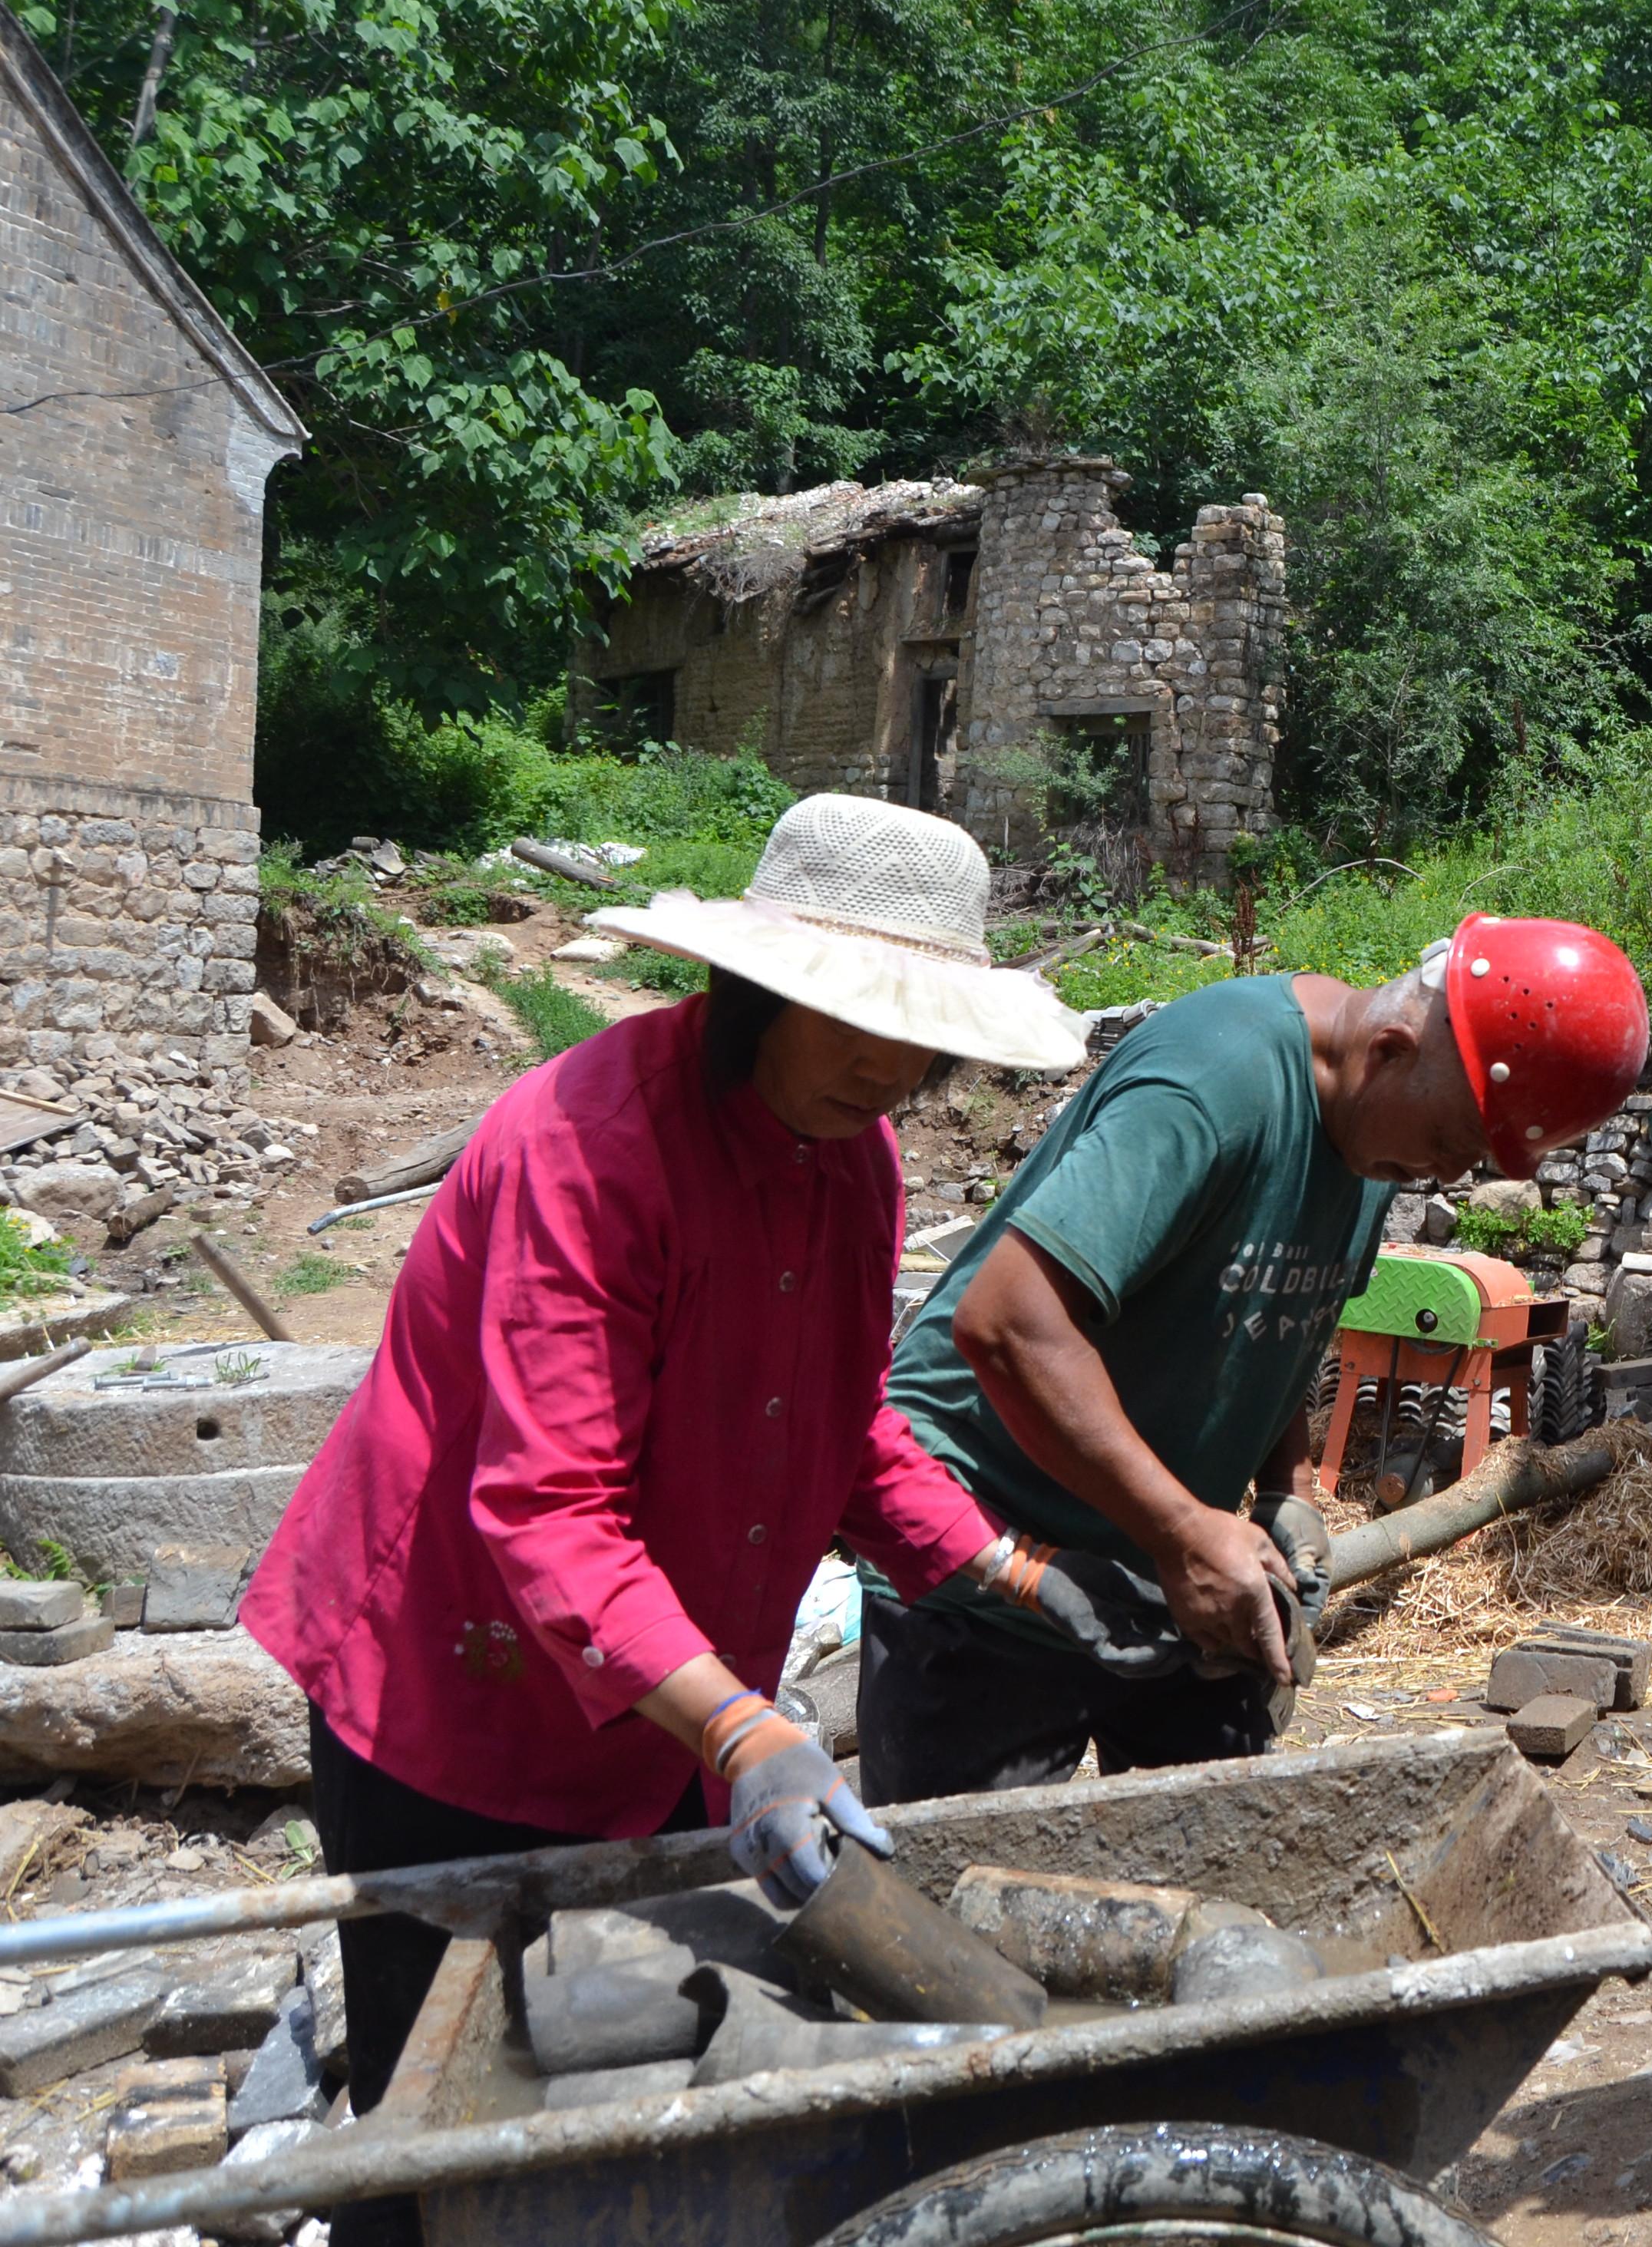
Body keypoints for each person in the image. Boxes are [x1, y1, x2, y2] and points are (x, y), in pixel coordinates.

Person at [244, 797, 1168, 2246]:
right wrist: (743, 1731)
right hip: (459, 1683)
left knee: (642, 2093)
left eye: (915, 1034)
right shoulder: (589, 1148)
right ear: (752, 988)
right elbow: (546, 1508)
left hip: (675, 1697)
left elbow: (841, 1420)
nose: (883, 1063)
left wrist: (1001, 1561)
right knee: (446, 2149)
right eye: (844, 1017)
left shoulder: (853, 1161)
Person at [856, 914, 1650, 1800]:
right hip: (991, 1541)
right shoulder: (1217, 1082)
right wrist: (1186, 1533)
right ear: (1389, 1049)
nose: (1437, 1178)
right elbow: (1004, 1322)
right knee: (957, 1899)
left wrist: (1289, 1493)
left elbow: (1279, 1319)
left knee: (1209, 1861)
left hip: (1157, 1553)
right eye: (1443, 1144)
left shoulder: (1366, 1132)